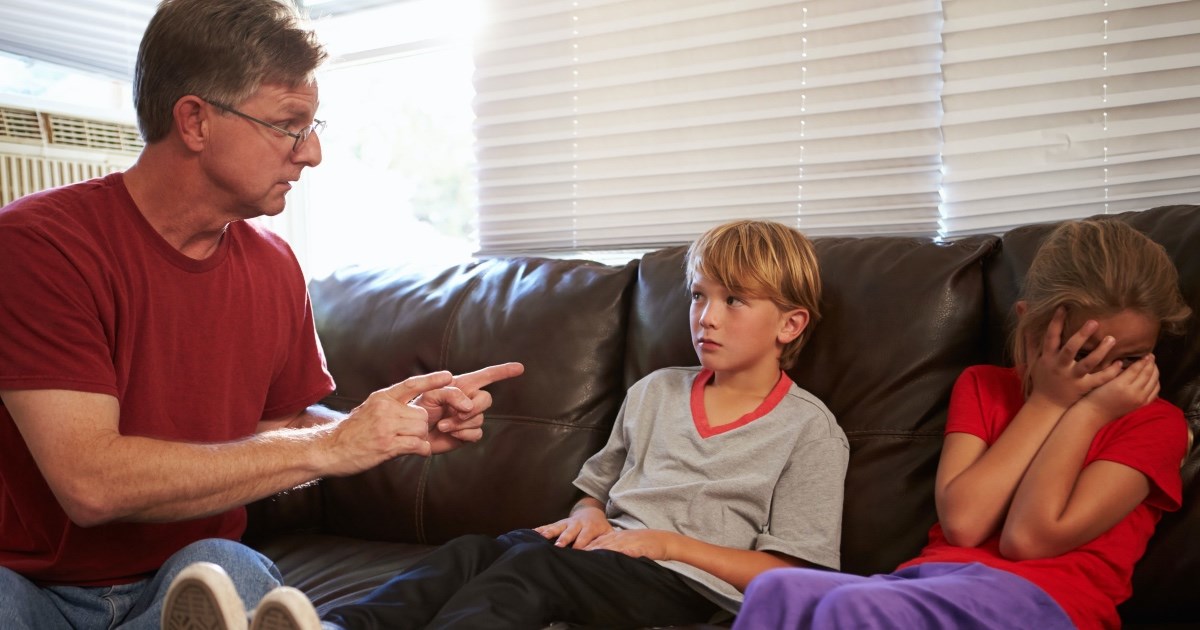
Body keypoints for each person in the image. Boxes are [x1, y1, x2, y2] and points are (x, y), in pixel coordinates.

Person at [0, 1, 522, 628]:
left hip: (190, 579)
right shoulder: (39, 245)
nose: (313, 153)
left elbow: (285, 425)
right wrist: (331, 444)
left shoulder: (274, 265)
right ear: (195, 121)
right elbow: (90, 485)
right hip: (30, 585)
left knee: (235, 568)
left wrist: (387, 427)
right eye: (290, 124)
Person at [163, 219, 851, 629]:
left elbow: (787, 571)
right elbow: (598, 491)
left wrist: (667, 547)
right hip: (608, 551)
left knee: (528, 570)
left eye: (734, 302)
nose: (706, 316)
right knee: (470, 551)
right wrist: (586, 514)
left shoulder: (808, 431)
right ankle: (335, 625)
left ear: (790, 323)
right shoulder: (656, 391)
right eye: (699, 296)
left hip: (692, 587)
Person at [733, 218, 1193, 630]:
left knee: (851, 610)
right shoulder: (984, 387)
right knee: (777, 592)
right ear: (1031, 328)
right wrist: (1048, 404)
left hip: (1047, 602)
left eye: (1131, 360)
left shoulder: (1155, 425)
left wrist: (1085, 412)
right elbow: (966, 525)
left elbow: (1027, 539)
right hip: (933, 579)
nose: (1107, 375)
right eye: (1085, 353)